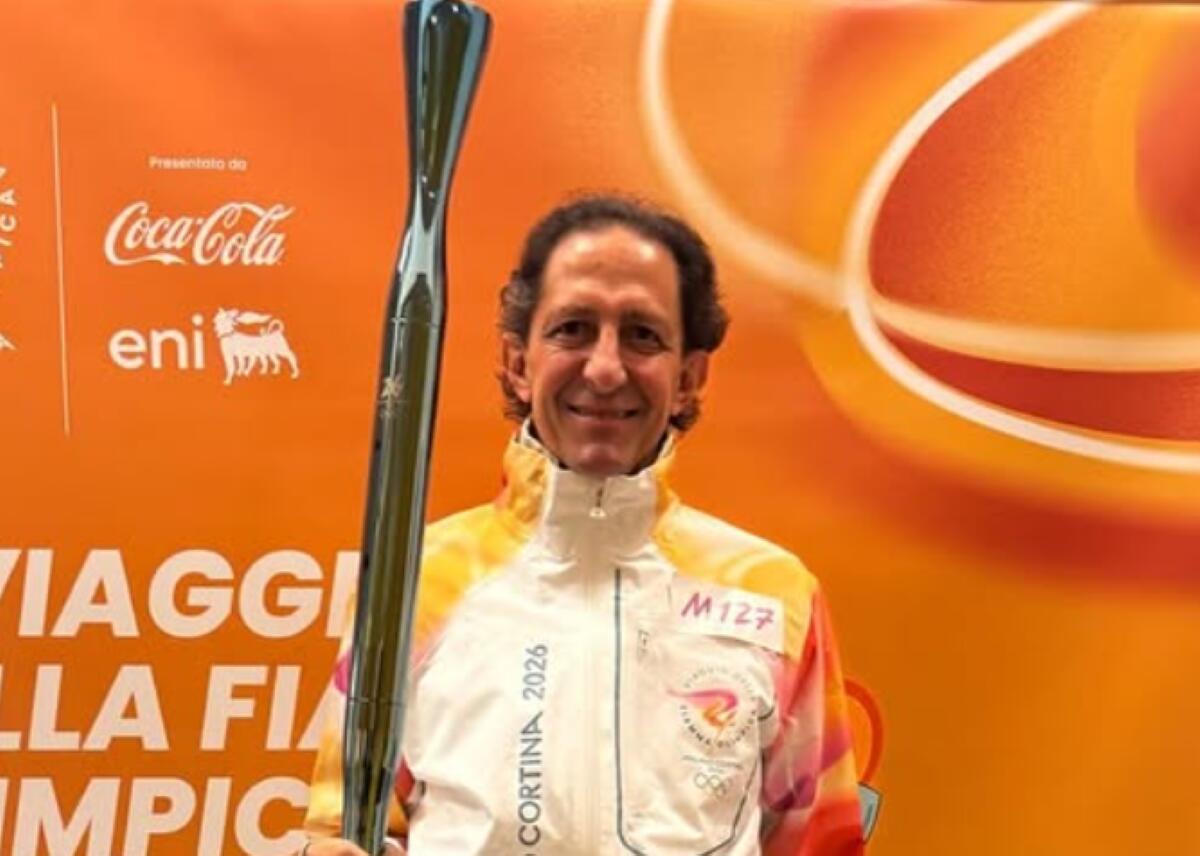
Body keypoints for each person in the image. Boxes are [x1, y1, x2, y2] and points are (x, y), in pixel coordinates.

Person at [294, 195, 864, 855]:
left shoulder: (773, 593)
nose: (605, 368)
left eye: (643, 335)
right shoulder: (414, 581)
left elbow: (824, 842)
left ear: (688, 377)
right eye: (573, 328)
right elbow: (345, 826)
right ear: (519, 362)